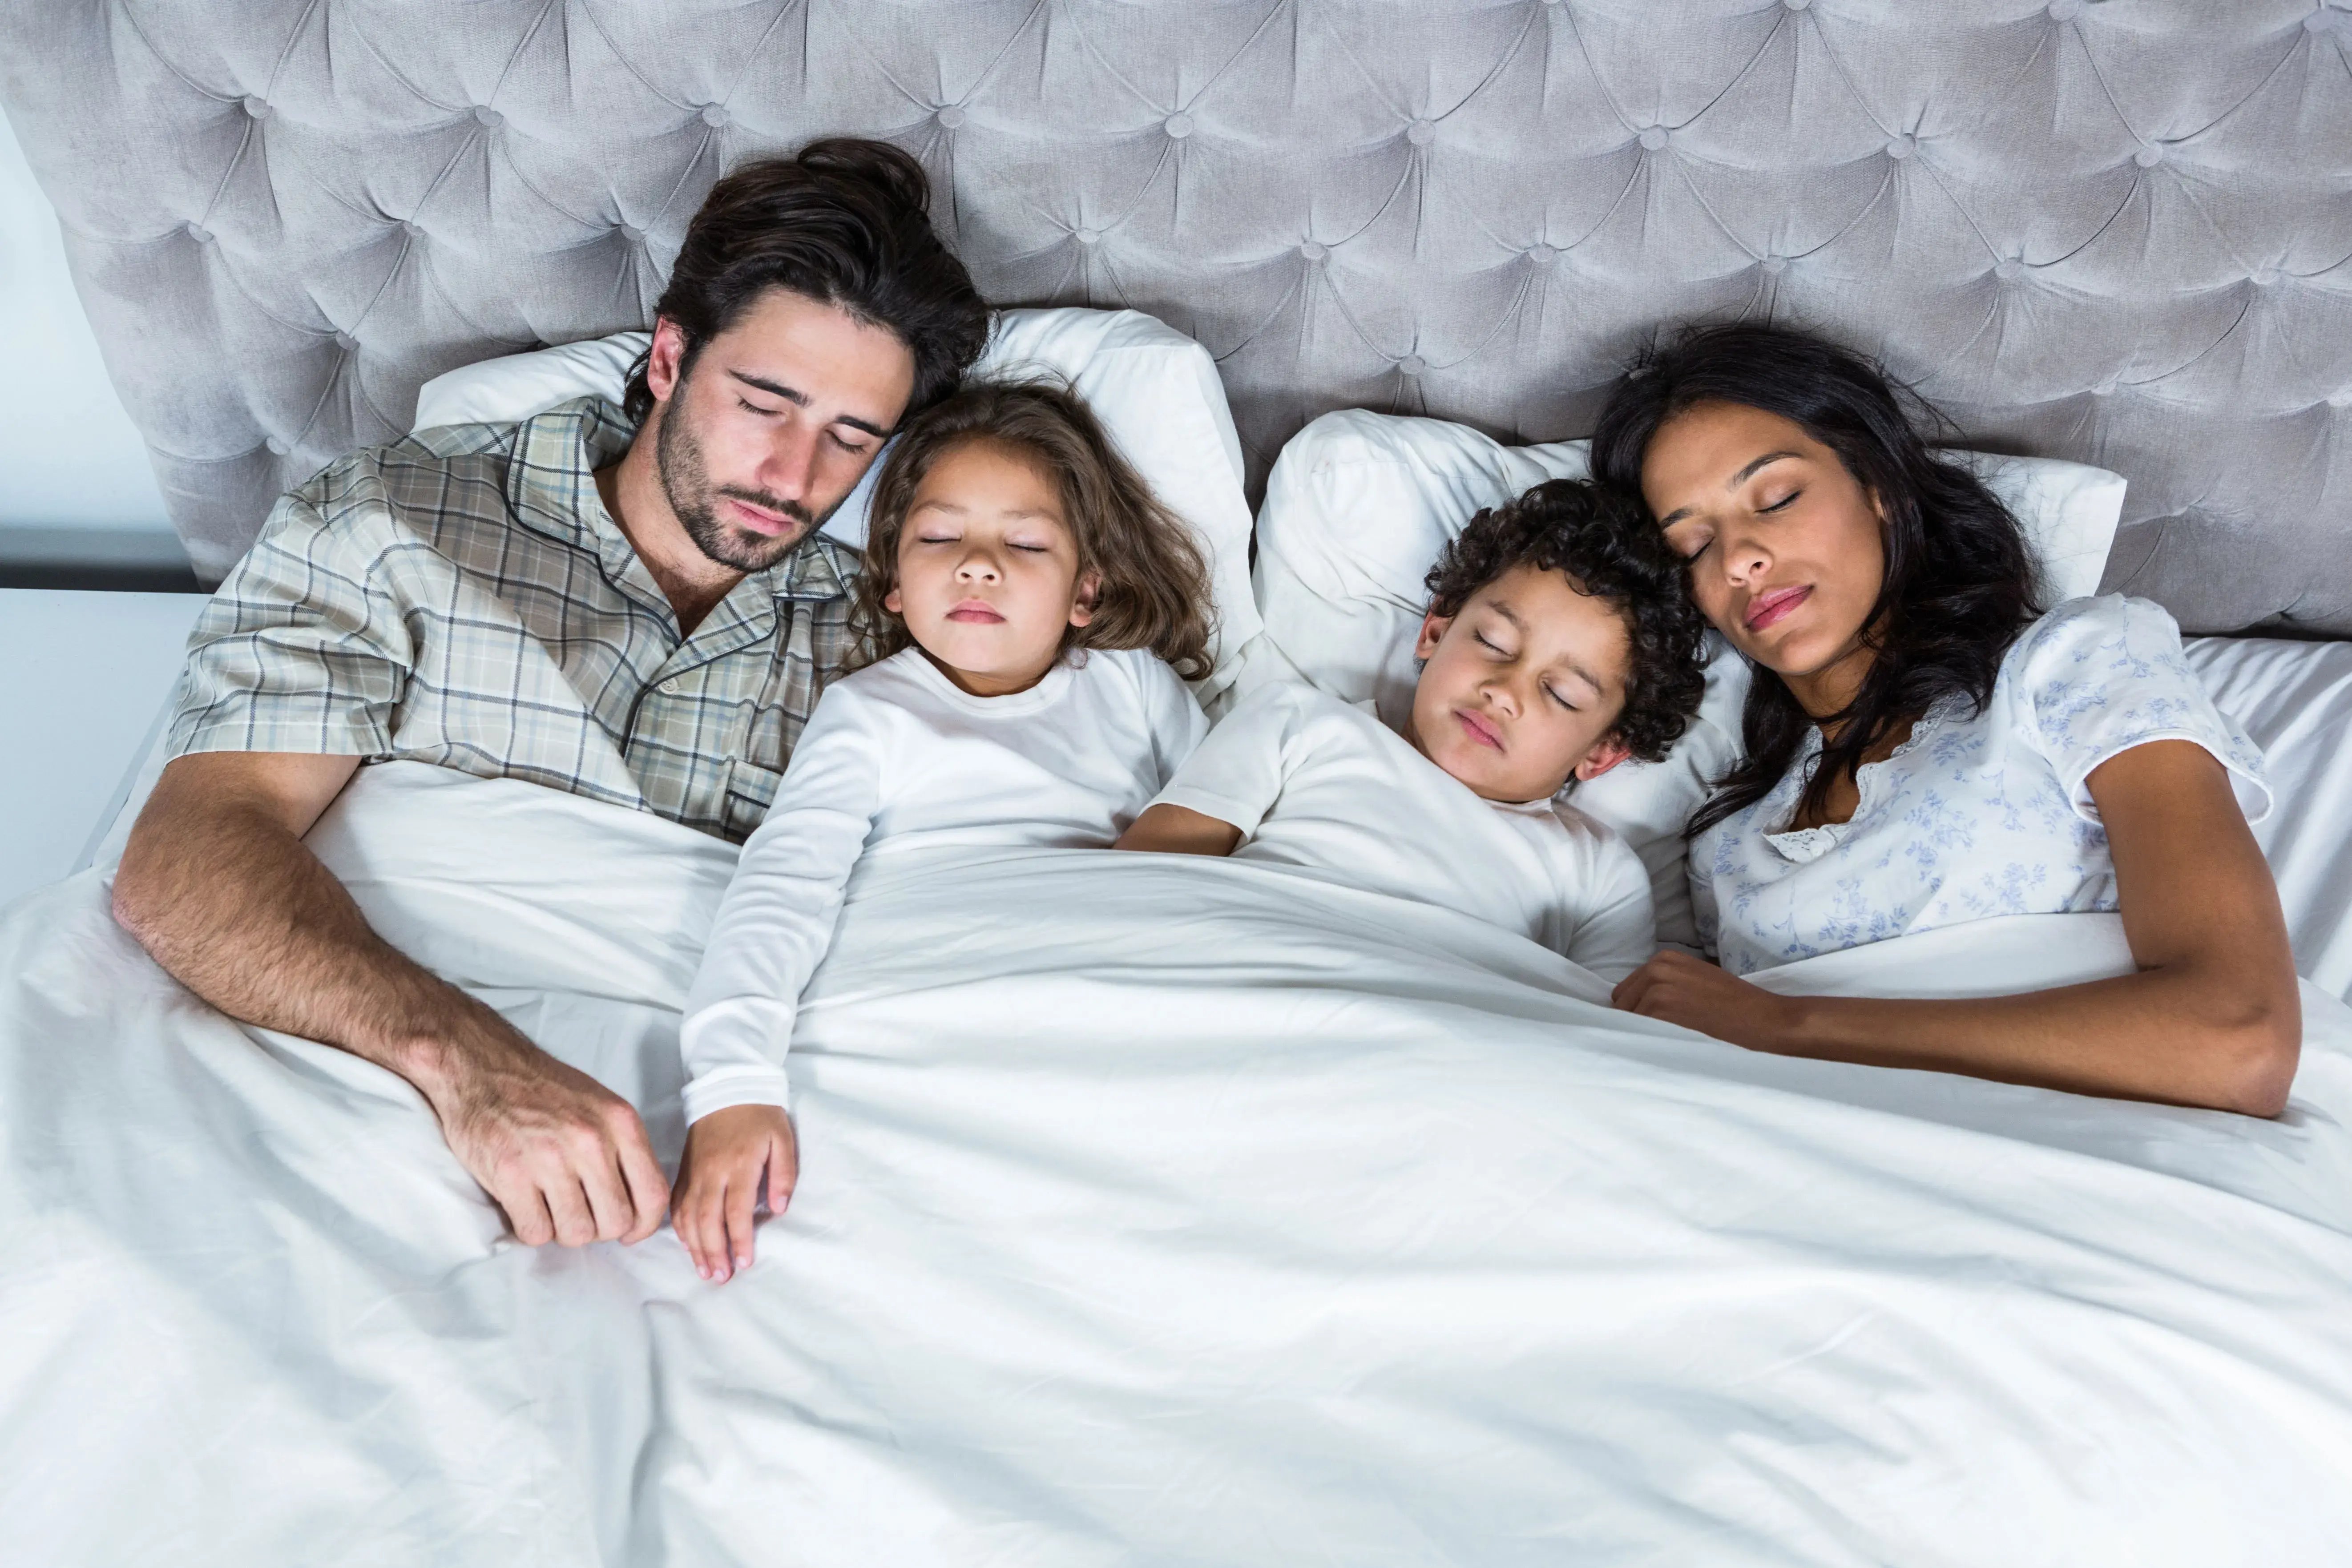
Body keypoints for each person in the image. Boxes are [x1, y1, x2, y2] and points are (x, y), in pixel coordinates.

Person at [109, 139, 991, 1248]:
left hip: (696, 1184)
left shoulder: (882, 637)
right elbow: (184, 860)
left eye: (850, 438)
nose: (792, 476)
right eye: (764, 401)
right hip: (354, 1093)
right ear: (670, 357)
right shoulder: (392, 520)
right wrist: (468, 1066)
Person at [1591, 324, 2300, 1117]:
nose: (1738, 560)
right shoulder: (1725, 848)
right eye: (1692, 544)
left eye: (1778, 498)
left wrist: (1787, 1024)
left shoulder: (2077, 663)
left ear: (1879, 487)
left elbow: (2241, 1038)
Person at [671, 380, 1215, 1281]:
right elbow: (783, 888)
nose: (977, 563)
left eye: (1024, 541)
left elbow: (1227, 840)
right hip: (934, 983)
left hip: (1102, 982)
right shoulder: (870, 715)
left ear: (1086, 588)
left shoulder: (1131, 686)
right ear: (891, 583)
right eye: (939, 536)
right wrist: (733, 1085)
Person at [1118, 480, 1708, 984]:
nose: (1504, 692)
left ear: (1603, 752)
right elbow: (1137, 882)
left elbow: (1611, 1048)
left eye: (1561, 694)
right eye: (1493, 643)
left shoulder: (1599, 872)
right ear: (1435, 630)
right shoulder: (1300, 722)